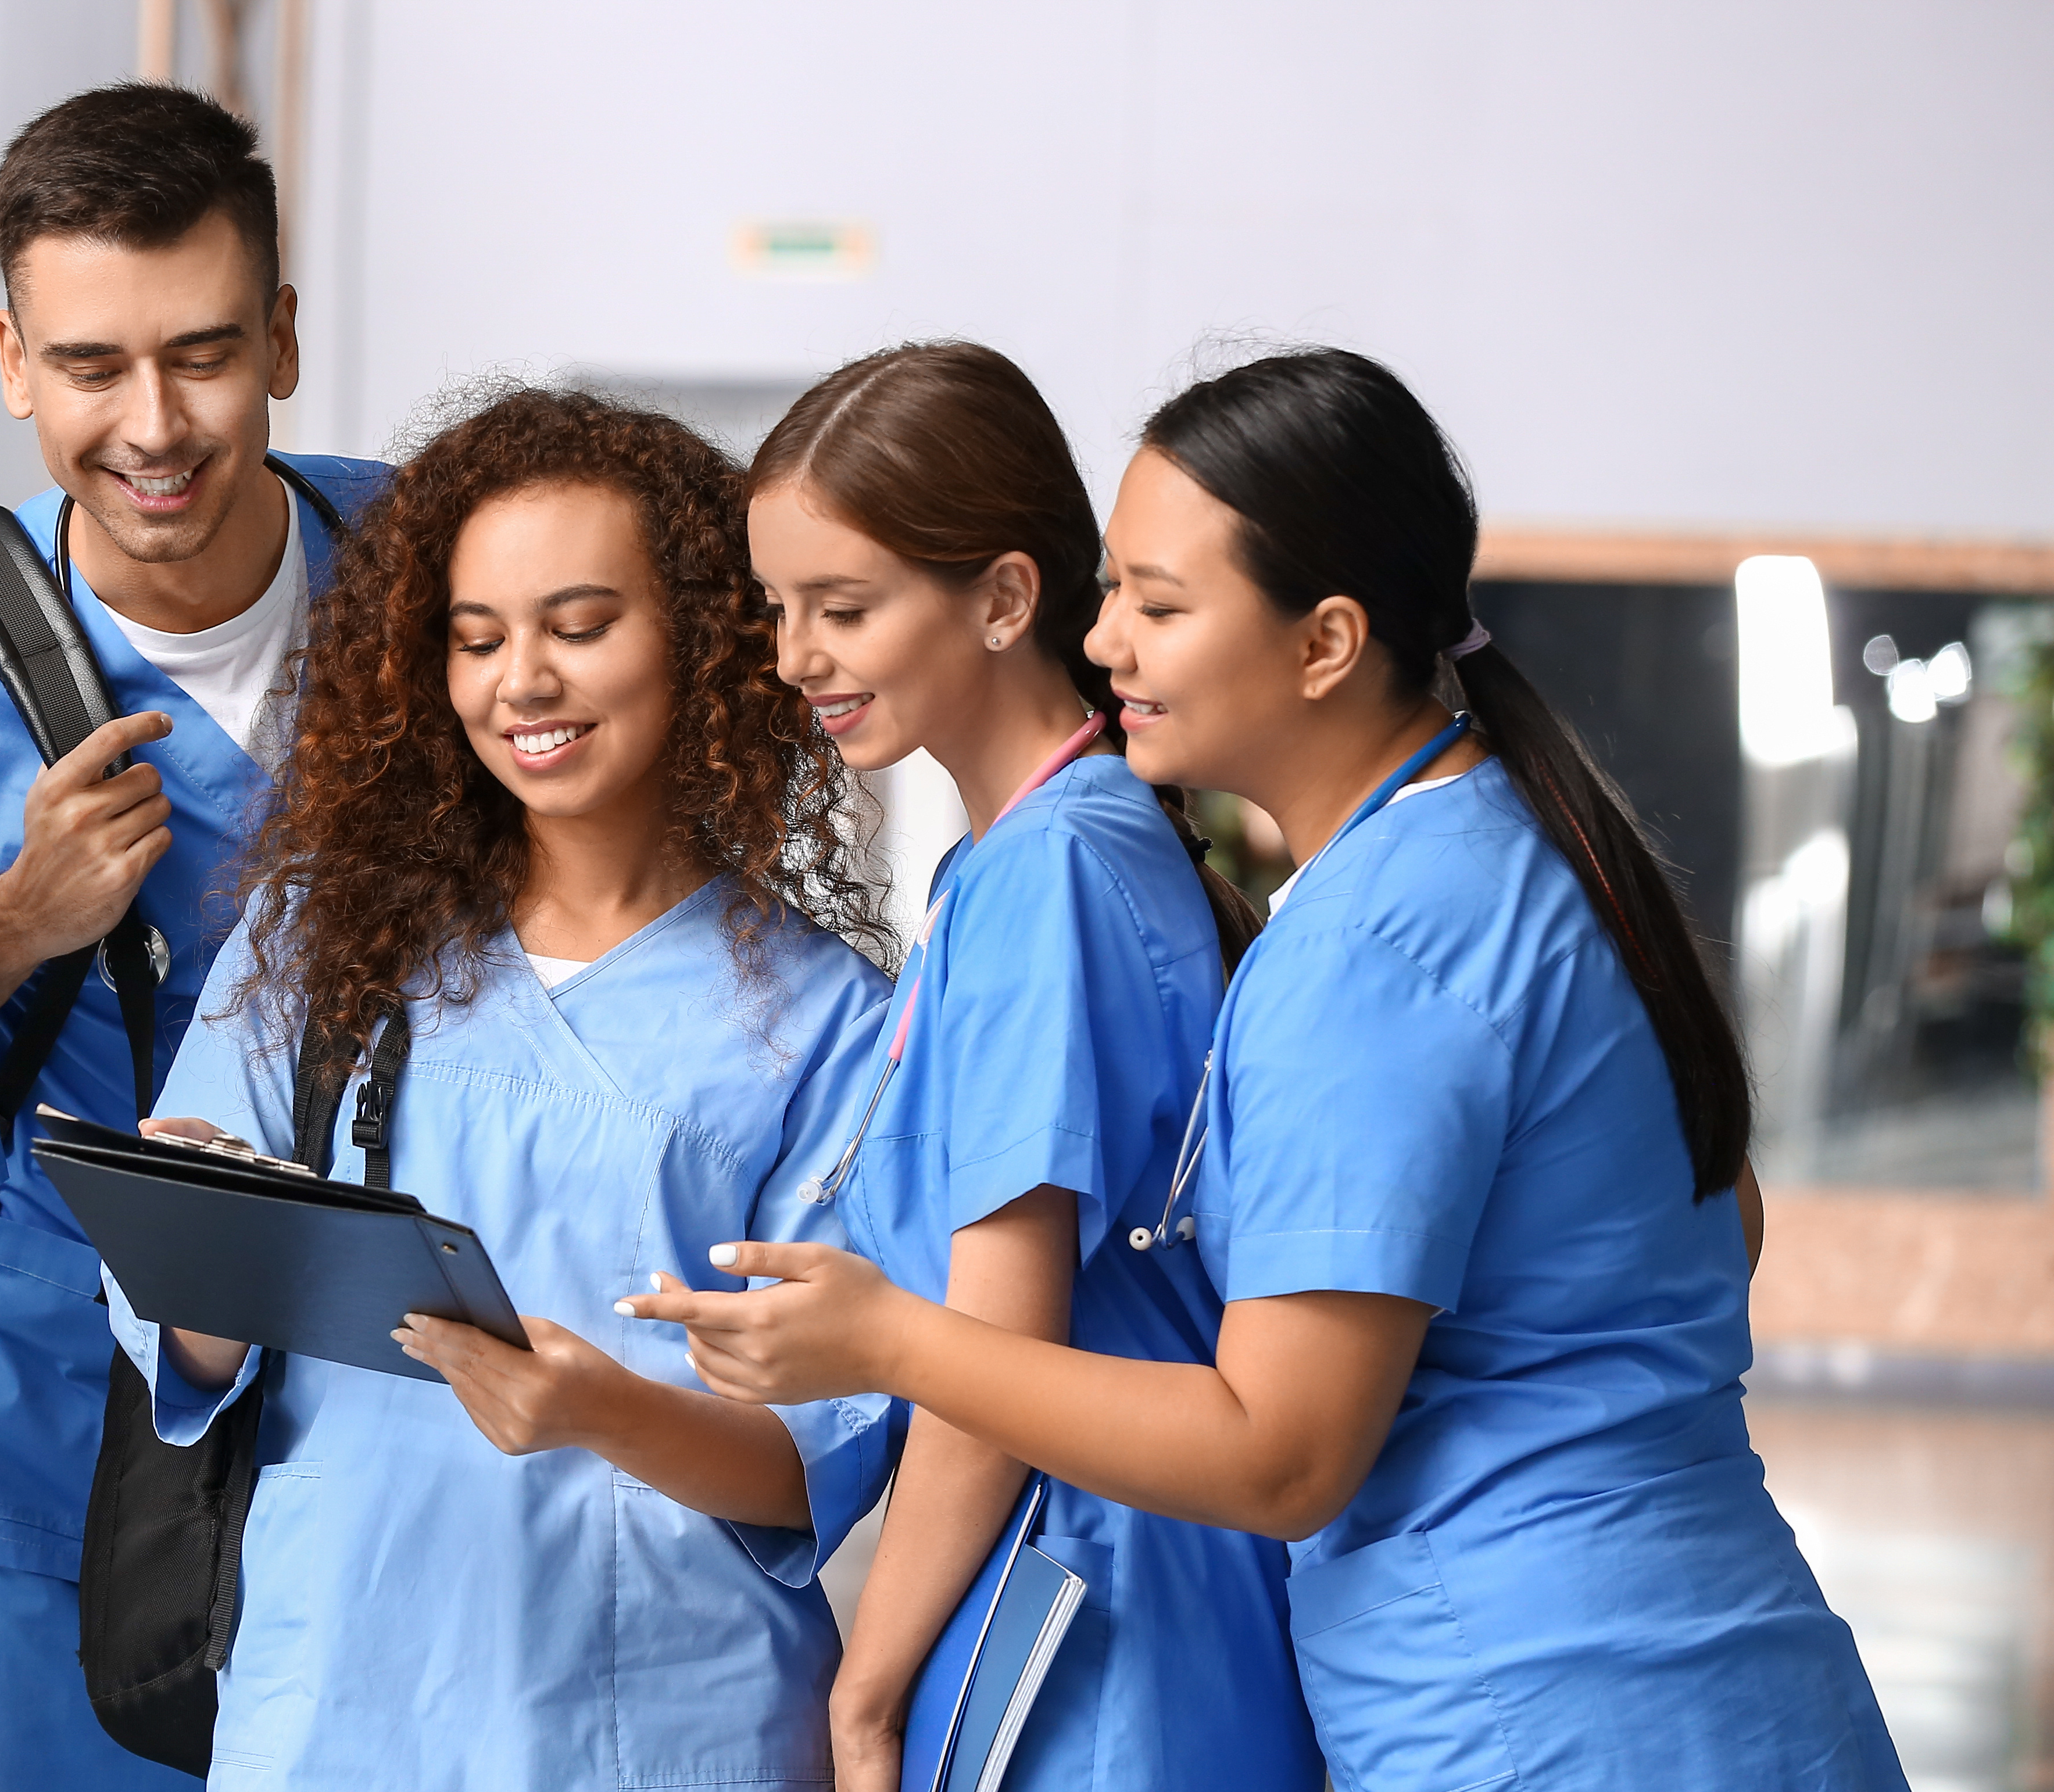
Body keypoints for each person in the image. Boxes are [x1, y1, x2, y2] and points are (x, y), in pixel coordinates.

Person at [634, 347, 1908, 1791]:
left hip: (1542, 1703)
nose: (1106, 643)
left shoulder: (1369, 937)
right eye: (1113, 590)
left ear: (1325, 644)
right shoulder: (1501, 851)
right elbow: (1712, 1221)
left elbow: (1284, 1456)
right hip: (1708, 1670)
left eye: (1160, 607)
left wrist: (892, 1343)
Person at [110, 386, 897, 1789]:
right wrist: (200, 1261)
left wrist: (597, 1411)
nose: (520, 680)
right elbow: (183, 1338)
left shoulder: (825, 1023)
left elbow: (823, 1461)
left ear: (706, 641)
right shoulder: (319, 932)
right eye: (476, 640)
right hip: (336, 1699)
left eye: (580, 628)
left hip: (656, 1723)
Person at [0, 83, 389, 1790]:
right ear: (14, 359)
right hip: (38, 1405)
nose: (152, 423)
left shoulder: (432, 578)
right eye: (90, 366)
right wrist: (13, 925)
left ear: (285, 340)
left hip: (386, 1385)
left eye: (203, 353)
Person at [742, 342, 1318, 1792]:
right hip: (1109, 1575)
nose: (795, 655)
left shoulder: (1052, 870)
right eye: (778, 609)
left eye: (844, 608)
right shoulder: (1024, 855)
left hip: (1098, 1600)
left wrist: (866, 1689)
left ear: (1003, 597)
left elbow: (997, 1343)